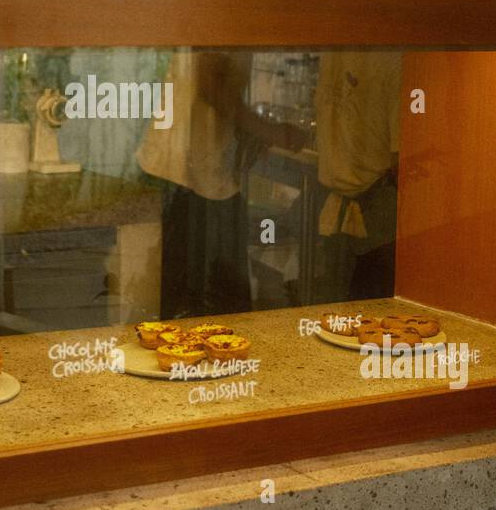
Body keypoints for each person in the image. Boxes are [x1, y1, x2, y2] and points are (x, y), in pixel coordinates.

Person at [137, 49, 302, 319]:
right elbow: (211, 87)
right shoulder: (226, 15)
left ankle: (214, 352)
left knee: (214, 297)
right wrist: (271, 131)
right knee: (208, 299)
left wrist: (247, 135)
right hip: (188, 174)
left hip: (204, 171)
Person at [312, 50, 401, 304]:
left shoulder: (333, 51)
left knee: (342, 319)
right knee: (368, 318)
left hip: (360, 212)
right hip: (367, 215)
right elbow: (402, 159)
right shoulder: (392, 59)